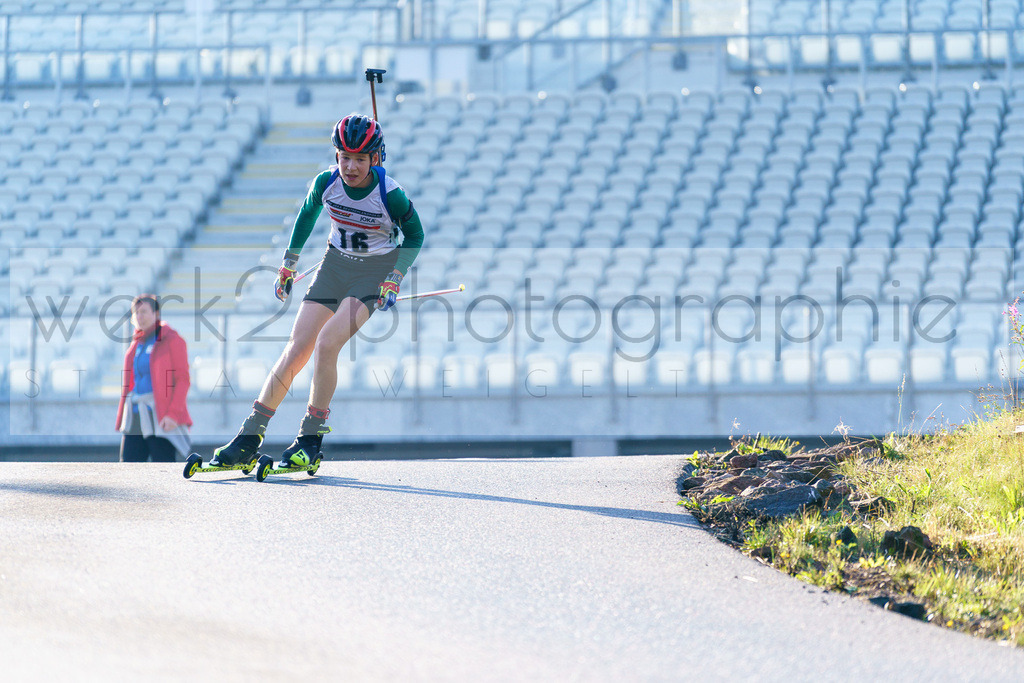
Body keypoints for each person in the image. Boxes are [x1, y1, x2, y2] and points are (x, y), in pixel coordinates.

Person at [209, 113, 423, 469]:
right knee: (296, 349)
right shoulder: (326, 182)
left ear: (376, 158)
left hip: (373, 275)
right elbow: (307, 214)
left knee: (326, 344)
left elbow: (415, 235)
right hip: (334, 265)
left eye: (359, 159)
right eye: (344, 157)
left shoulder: (391, 194)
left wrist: (395, 276)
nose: (350, 167)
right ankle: (250, 436)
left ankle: (310, 440)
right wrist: (288, 263)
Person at [116, 294, 193, 462]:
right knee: (128, 471)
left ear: (156, 314)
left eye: (144, 311)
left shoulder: (172, 340)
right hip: (136, 416)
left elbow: (183, 380)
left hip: (160, 416)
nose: (139, 316)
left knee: (163, 469)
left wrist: (173, 414)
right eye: (136, 312)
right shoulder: (136, 344)